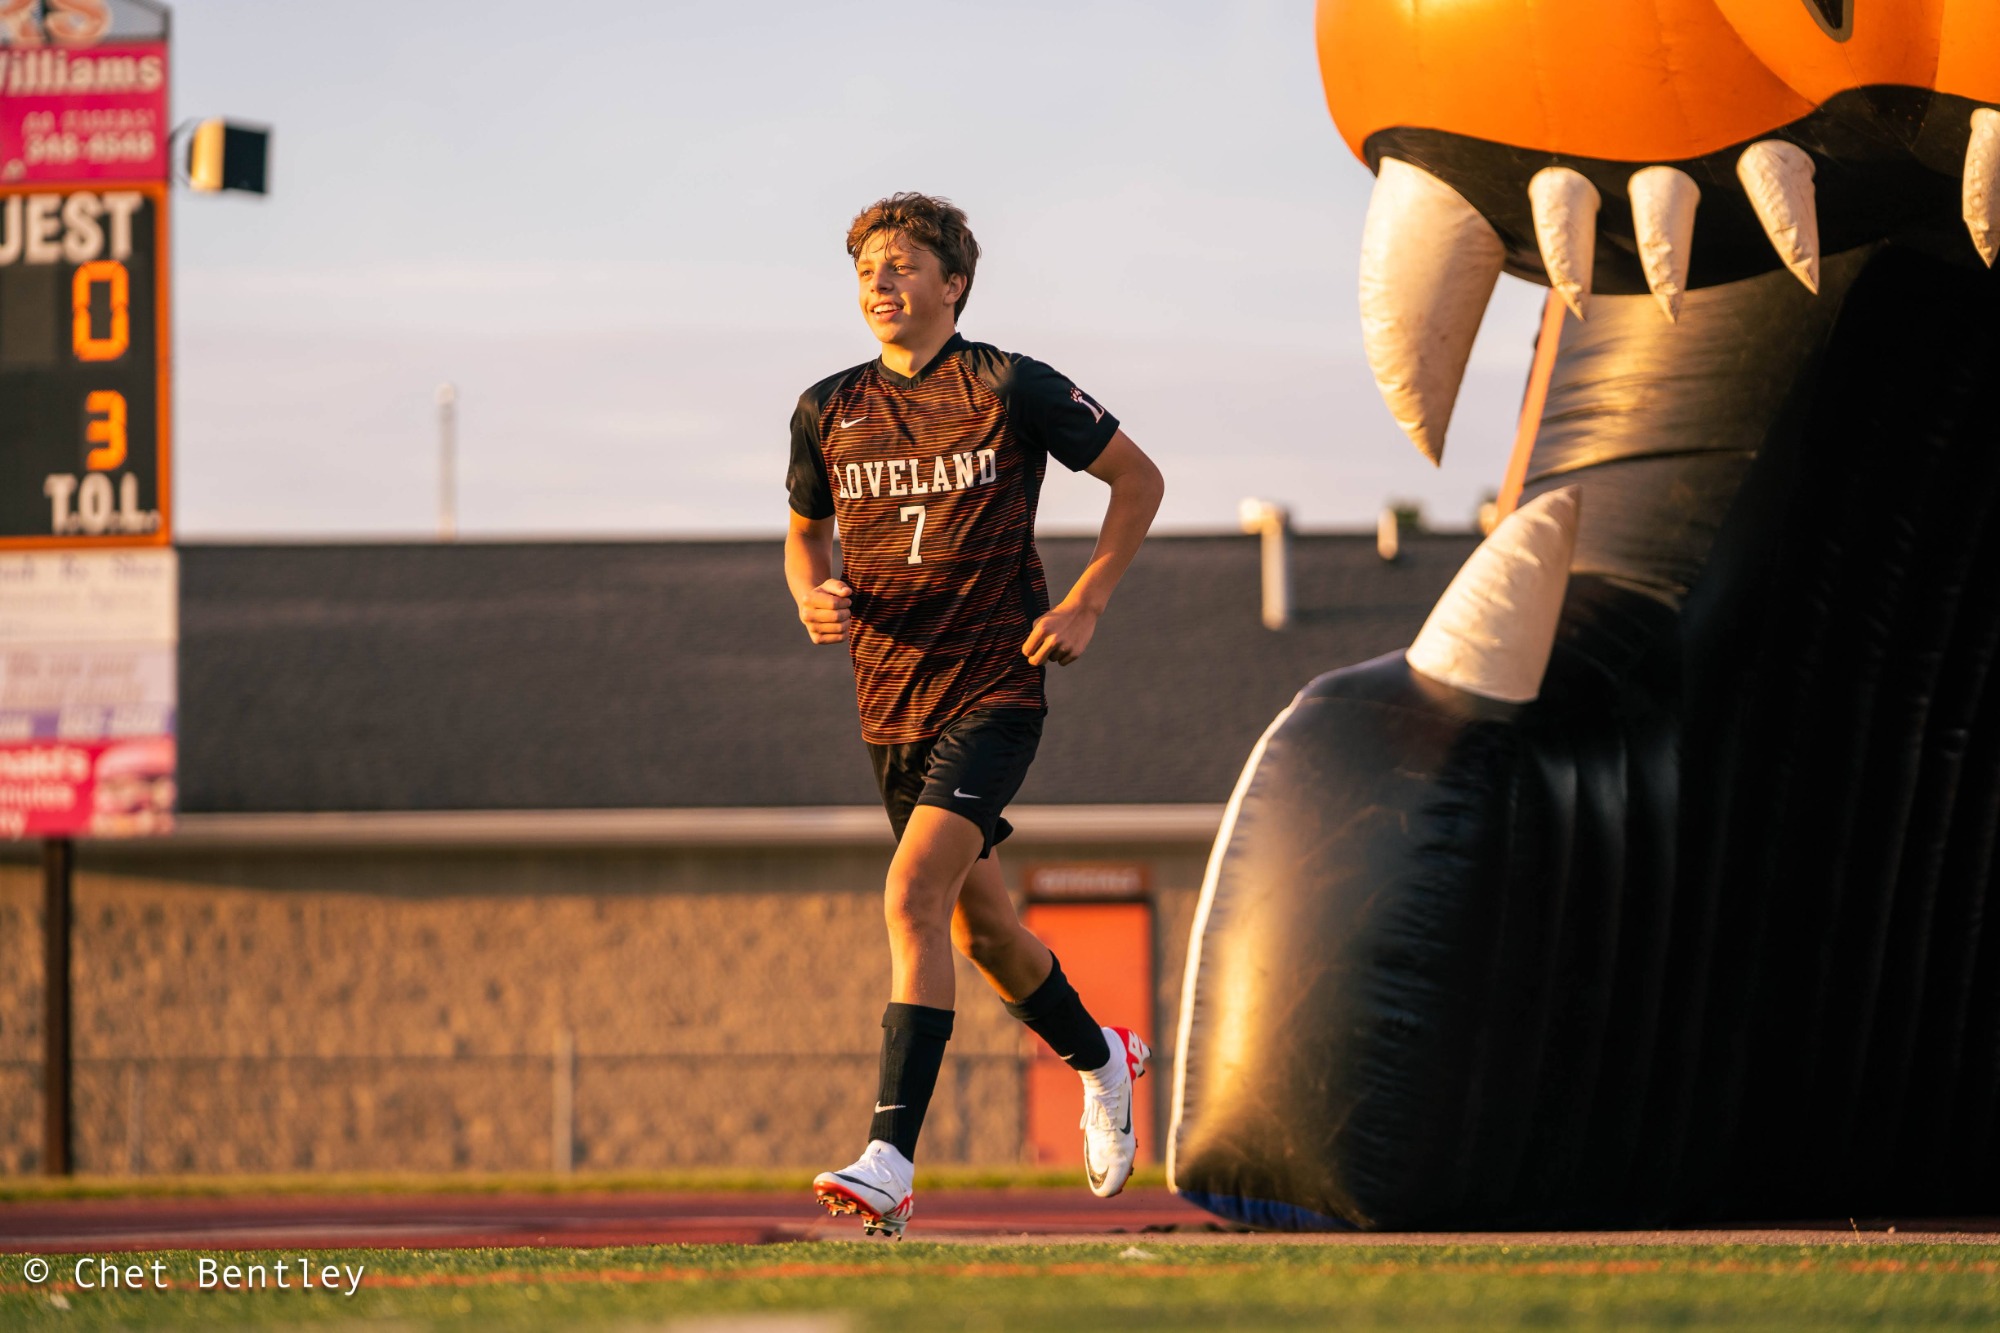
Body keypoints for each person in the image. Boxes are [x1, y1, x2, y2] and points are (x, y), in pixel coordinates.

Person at [785, 192, 1166, 1237]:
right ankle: (1102, 1055)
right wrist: (806, 592)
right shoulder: (826, 405)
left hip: (995, 687)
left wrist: (1087, 597)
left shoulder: (1010, 386)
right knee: (984, 929)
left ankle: (889, 1161)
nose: (880, 282)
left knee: (909, 895)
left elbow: (1137, 480)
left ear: (952, 282)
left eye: (902, 264)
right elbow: (801, 536)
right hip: (887, 702)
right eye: (866, 267)